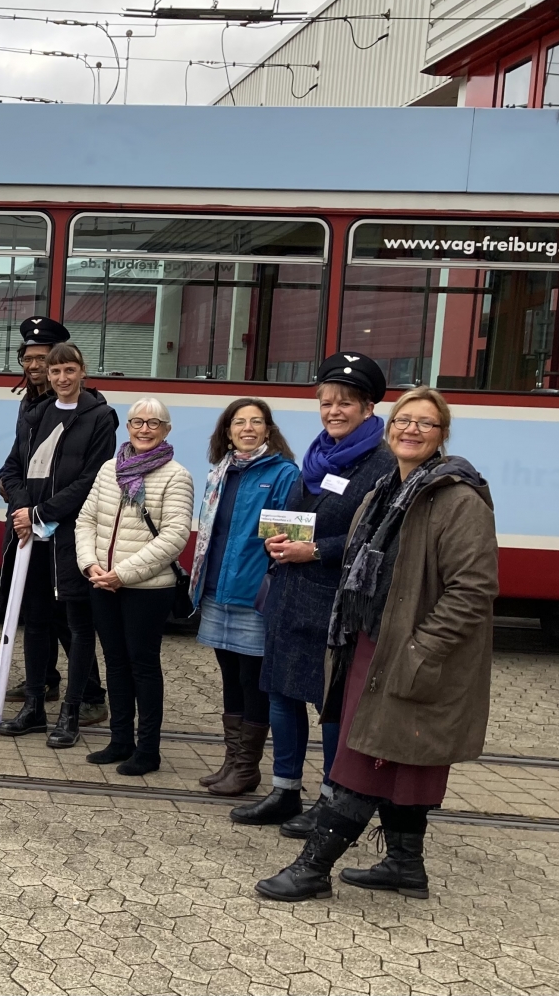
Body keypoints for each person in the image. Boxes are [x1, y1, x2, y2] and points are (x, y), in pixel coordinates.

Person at [256, 387, 496, 902]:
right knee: (403, 757)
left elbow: (473, 590)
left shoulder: (457, 498)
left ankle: (313, 867)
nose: (411, 430)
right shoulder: (386, 489)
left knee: (365, 756)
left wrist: (421, 650)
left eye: (425, 424)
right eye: (403, 421)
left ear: (441, 434)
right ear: (390, 429)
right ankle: (406, 867)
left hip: (411, 652)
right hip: (371, 641)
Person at [234, 353, 394, 833]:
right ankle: (284, 791)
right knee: (281, 696)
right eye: (326, 403)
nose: (333, 412)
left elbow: (378, 536)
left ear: (368, 408)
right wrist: (277, 538)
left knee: (328, 703)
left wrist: (317, 551)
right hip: (288, 594)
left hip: (333, 602)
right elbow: (296, 515)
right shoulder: (318, 453)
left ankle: (329, 800)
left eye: (345, 403)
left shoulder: (382, 463)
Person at [0, 342, 117, 743]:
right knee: (37, 620)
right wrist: (22, 506)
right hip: (33, 535)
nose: (62, 378)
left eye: (69, 370)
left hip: (73, 535)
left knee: (78, 625)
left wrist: (41, 513)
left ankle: (71, 712)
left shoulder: (100, 417)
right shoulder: (39, 413)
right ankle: (33, 707)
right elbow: (13, 467)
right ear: (47, 376)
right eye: (55, 371)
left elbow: (92, 481)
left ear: (83, 372)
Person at [73, 397, 194, 776]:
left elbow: (175, 536)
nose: (144, 429)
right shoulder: (110, 469)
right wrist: (89, 564)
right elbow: (85, 519)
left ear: (166, 430)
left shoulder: (177, 475)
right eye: (137, 422)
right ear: (127, 427)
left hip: (146, 588)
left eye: (153, 423)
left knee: (143, 665)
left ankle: (148, 750)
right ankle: (120, 739)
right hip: (102, 582)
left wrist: (122, 573)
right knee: (115, 663)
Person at [189, 398, 301, 796]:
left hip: (254, 593)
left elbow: (284, 543)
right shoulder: (220, 473)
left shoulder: (283, 474)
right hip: (218, 587)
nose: (248, 428)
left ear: (269, 430)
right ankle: (232, 761)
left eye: (257, 422)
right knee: (229, 677)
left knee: (252, 680)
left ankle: (247, 767)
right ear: (228, 430)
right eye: (240, 422)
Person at [1, 317, 75, 702]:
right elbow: (15, 463)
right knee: (36, 609)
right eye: (27, 358)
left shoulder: (73, 407)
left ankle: (91, 692)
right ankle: (45, 679)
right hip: (28, 518)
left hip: (56, 523)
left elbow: (68, 475)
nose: (33, 366)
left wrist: (35, 509)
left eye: (41, 359)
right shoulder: (29, 402)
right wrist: (18, 499)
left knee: (62, 616)